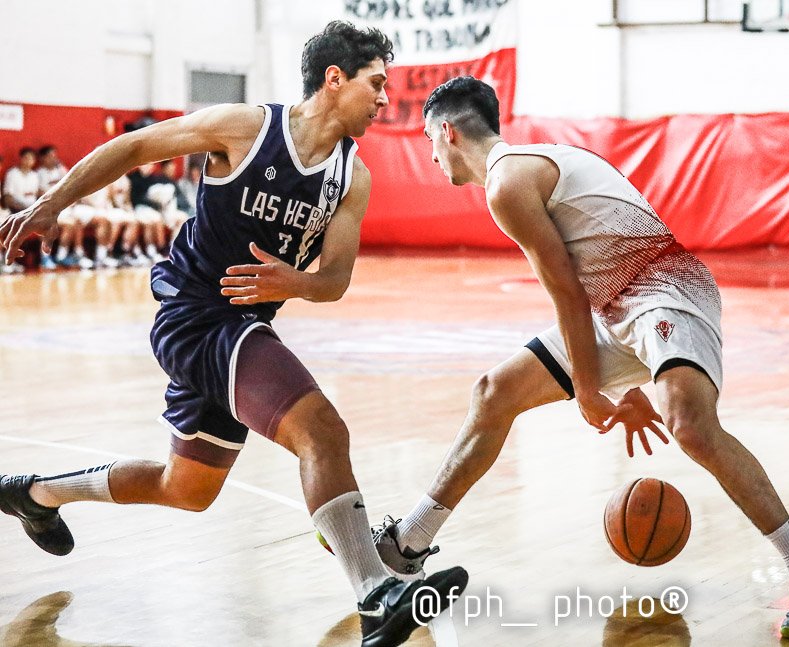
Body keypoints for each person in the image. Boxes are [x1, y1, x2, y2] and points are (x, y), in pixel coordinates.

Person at [0, 21, 466, 647]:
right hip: (195, 314)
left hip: (245, 324)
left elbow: (333, 281)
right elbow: (134, 149)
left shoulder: (352, 176)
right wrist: (54, 202)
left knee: (186, 488)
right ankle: (375, 594)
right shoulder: (247, 127)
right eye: (376, 84)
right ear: (335, 79)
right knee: (322, 431)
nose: (385, 99)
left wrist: (293, 282)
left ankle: (36, 494)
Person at [372, 76, 789, 640]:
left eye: (429, 140)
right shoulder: (529, 164)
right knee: (494, 393)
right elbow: (586, 283)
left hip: (665, 289)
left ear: (446, 131)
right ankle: (409, 545)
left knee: (691, 427)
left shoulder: (507, 182)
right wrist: (621, 379)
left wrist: (592, 392)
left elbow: (566, 292)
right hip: (617, 306)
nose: (430, 155)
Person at [2, 147, 39, 273]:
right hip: (17, 211)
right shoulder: (12, 174)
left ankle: (46, 258)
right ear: (21, 159)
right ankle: (5, 260)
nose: (29, 161)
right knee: (11, 224)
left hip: (32, 212)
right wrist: (25, 209)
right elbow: (8, 199)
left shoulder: (35, 176)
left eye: (32, 158)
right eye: (27, 157)